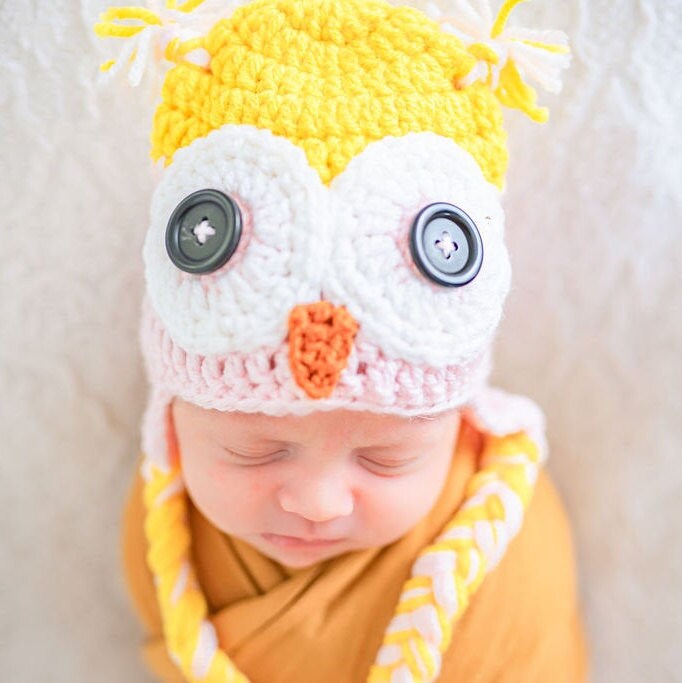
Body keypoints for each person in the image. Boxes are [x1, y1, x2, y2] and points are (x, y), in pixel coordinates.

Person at [95, 0, 589, 680]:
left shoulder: (503, 547)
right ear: (172, 416)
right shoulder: (167, 535)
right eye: (252, 450)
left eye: (386, 460)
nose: (318, 502)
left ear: (456, 425)